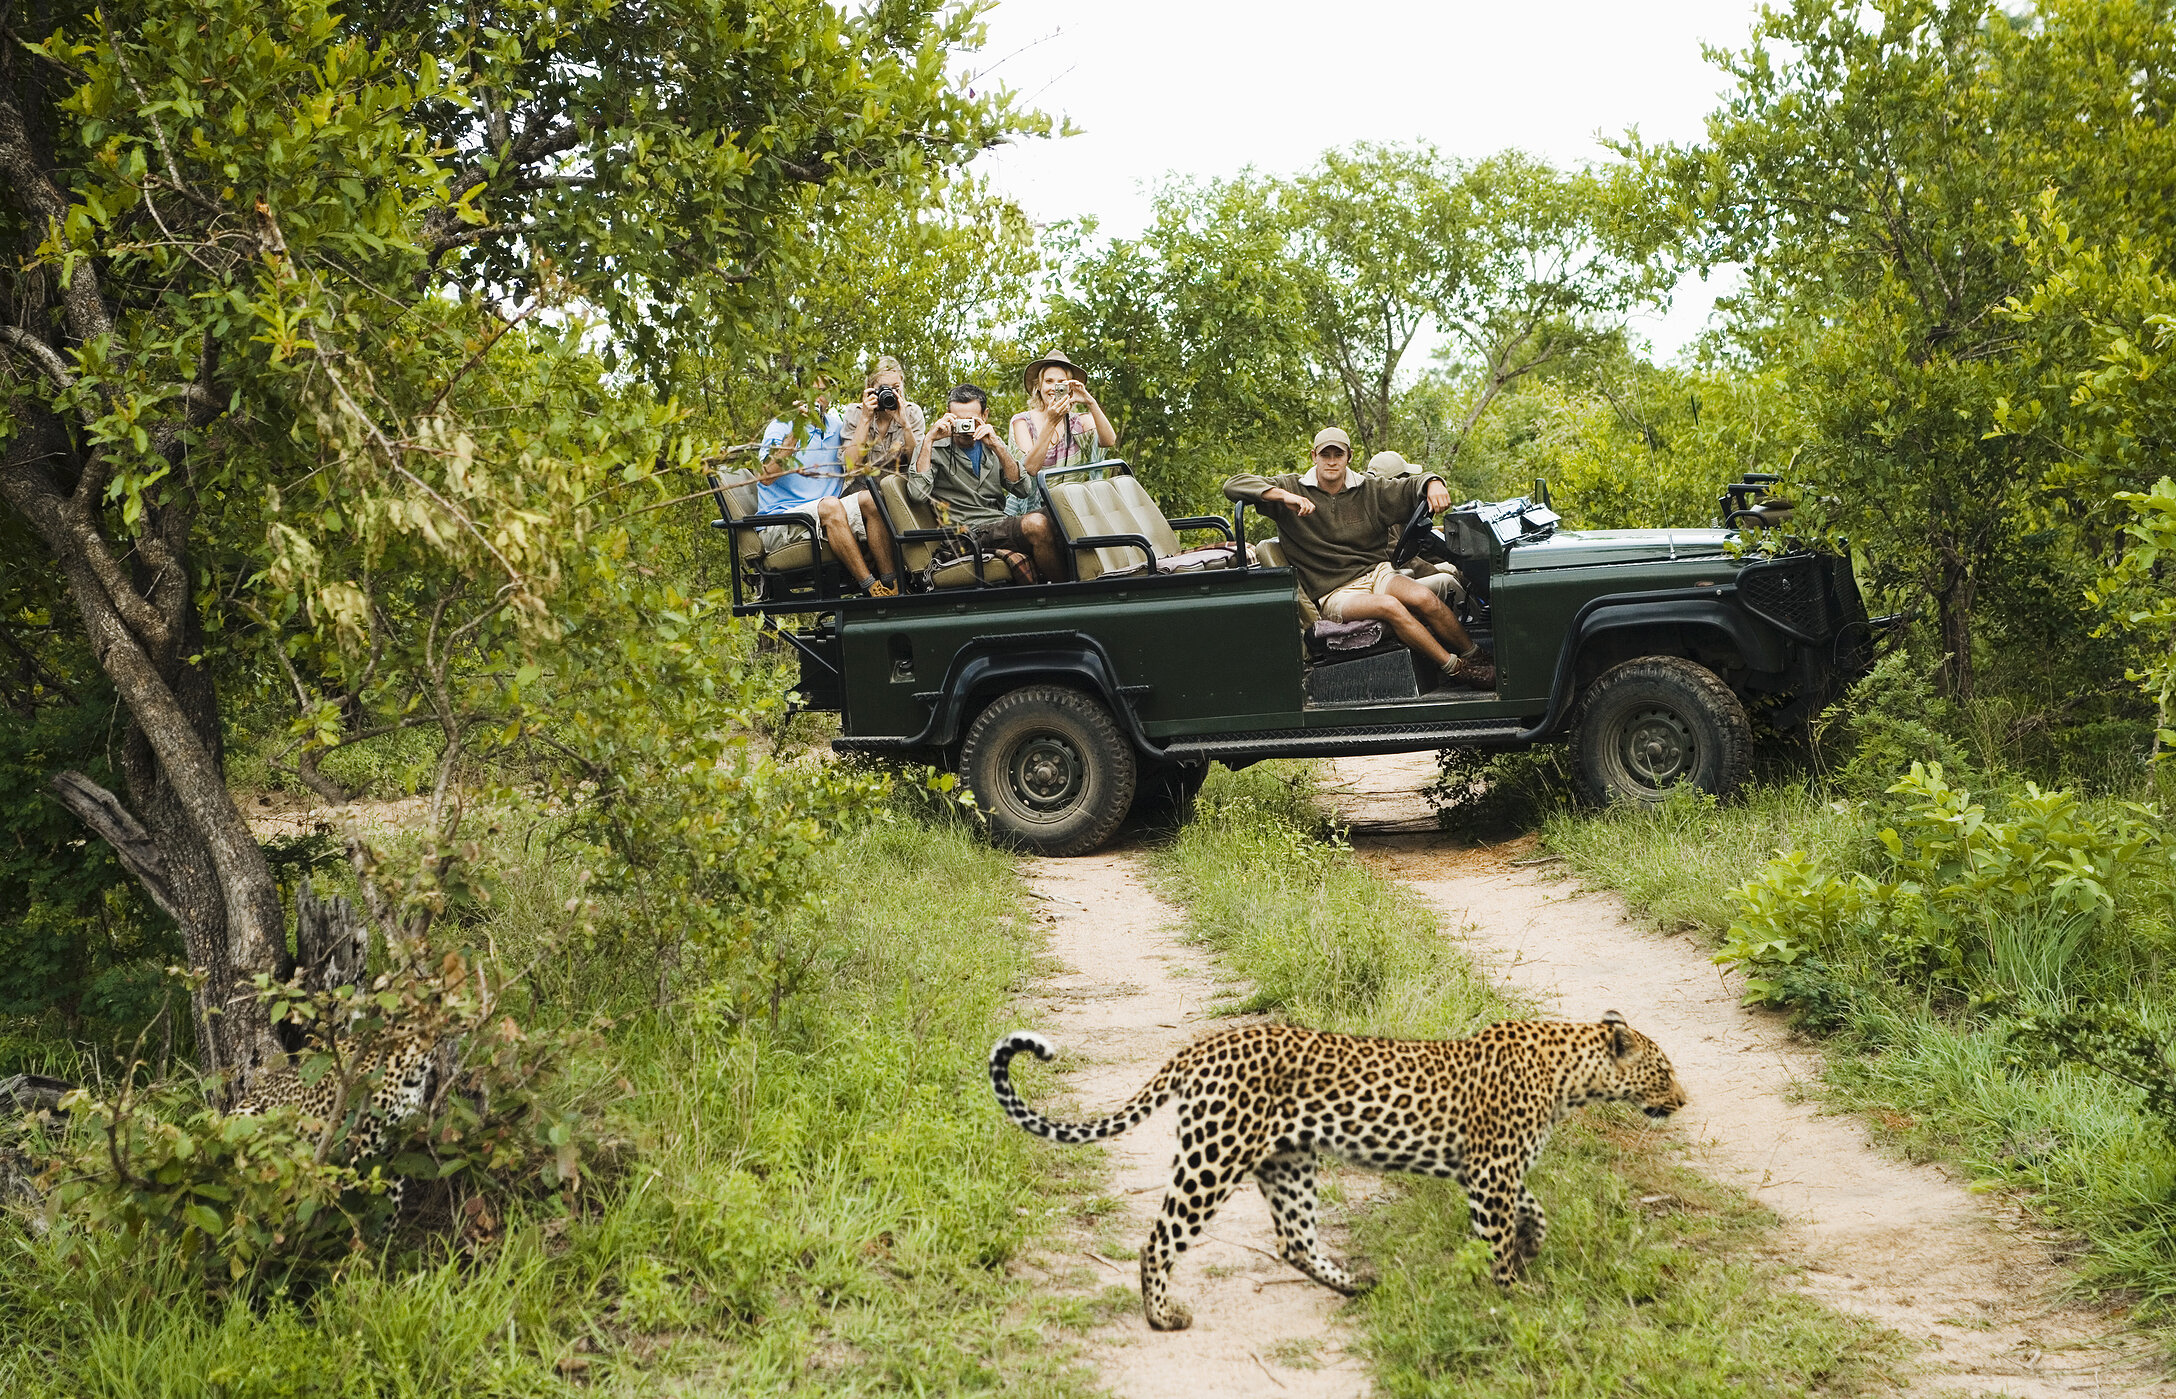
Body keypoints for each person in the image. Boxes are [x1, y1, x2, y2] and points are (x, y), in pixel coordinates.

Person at [1225, 428, 1495, 689]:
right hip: (1335, 592)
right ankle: (1456, 669)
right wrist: (1283, 497)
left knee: (1425, 598)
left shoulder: (1369, 489)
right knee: (1391, 607)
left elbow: (1409, 486)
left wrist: (1433, 482)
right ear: (1314, 456)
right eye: (1325, 454)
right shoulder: (1294, 488)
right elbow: (1234, 485)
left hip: (1376, 573)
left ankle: (1476, 655)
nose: (1331, 461)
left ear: (1349, 457)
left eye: (1338, 454)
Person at [909, 384, 1065, 582]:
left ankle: (1087, 582)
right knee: (1036, 523)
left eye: (971, 420)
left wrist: (998, 446)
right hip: (965, 533)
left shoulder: (991, 443)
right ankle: (1061, 594)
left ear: (985, 416)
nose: (965, 427)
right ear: (947, 416)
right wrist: (930, 439)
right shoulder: (931, 447)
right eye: (958, 419)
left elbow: (1023, 489)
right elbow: (917, 494)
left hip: (998, 524)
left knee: (1062, 513)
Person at [755, 381, 899, 597]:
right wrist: (797, 431)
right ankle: (870, 587)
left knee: (870, 500)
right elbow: (765, 476)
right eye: (814, 390)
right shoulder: (781, 425)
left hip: (826, 515)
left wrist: (868, 418)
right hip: (781, 521)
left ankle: (892, 584)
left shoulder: (834, 425)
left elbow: (852, 466)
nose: (819, 396)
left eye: (825, 390)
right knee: (831, 505)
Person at [1007, 350, 1118, 514]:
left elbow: (1109, 440)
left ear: (1069, 388)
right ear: (1039, 386)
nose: (1054, 388)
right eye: (1049, 381)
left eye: (1061, 383)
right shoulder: (1022, 421)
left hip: (1070, 506)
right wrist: (1051, 421)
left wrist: (1090, 401)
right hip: (1031, 510)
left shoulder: (1079, 421)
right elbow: (1029, 468)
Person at [842, 355, 927, 477]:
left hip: (898, 485)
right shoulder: (855, 413)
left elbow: (918, 467)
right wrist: (865, 419)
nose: (889, 394)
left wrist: (905, 425)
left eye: (895, 388)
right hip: (863, 486)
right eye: (884, 388)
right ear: (870, 388)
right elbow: (851, 468)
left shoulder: (912, 413)